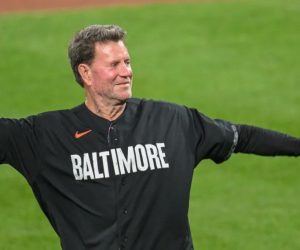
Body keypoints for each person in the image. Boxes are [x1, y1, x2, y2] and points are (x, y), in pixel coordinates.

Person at [0, 24, 299, 250]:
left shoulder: (173, 122)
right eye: (114, 65)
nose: (126, 72)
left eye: (127, 62)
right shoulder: (46, 137)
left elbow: (241, 137)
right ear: (86, 73)